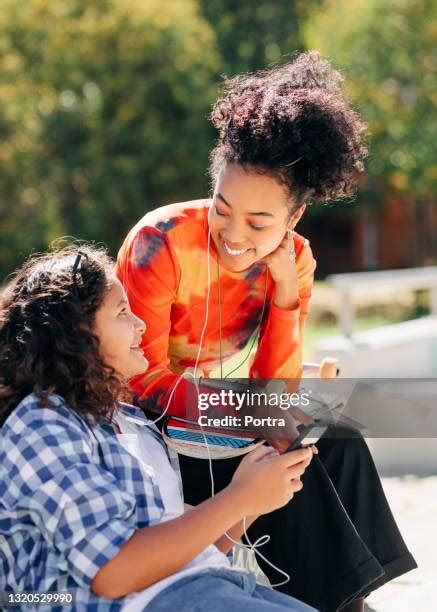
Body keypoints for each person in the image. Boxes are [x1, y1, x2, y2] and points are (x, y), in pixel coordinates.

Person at [116, 52, 417, 611]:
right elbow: (141, 383)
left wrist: (283, 294)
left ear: (294, 219)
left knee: (339, 436)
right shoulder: (159, 242)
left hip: (216, 418)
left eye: (259, 223)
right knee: (285, 444)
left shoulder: (295, 260)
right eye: (223, 209)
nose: (234, 234)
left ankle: (350, 595)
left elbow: (274, 383)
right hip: (152, 433)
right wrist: (252, 412)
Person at [0, 245, 318, 612]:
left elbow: (175, 556)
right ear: (74, 337)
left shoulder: (130, 421)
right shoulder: (43, 425)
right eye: (122, 313)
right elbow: (114, 572)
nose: (141, 325)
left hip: (207, 586)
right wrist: (239, 498)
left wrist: (252, 501)